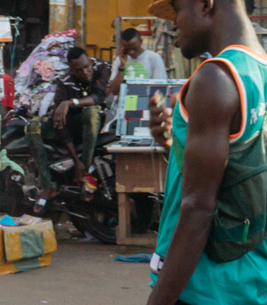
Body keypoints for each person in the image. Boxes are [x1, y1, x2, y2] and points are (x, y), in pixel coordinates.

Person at [144, 0, 267, 305]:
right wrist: (172, 146)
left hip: (207, 291)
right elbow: (239, 174)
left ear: (204, 3)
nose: (173, 27)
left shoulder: (216, 77)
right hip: (261, 289)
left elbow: (198, 207)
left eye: (178, 12)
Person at [28, 46, 111, 191]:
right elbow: (61, 125)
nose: (85, 72)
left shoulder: (102, 67)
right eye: (79, 70)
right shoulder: (64, 82)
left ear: (90, 62)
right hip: (73, 125)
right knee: (32, 126)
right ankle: (48, 186)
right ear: (72, 70)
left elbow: (98, 96)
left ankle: (84, 176)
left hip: (95, 122)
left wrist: (71, 103)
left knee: (91, 112)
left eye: (87, 67)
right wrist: (75, 160)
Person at [108, 26, 169, 100]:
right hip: (123, 104)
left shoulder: (154, 58)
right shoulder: (119, 60)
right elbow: (114, 91)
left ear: (141, 41)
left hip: (145, 104)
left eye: (134, 48)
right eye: (127, 49)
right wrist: (121, 66)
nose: (131, 52)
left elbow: (160, 88)